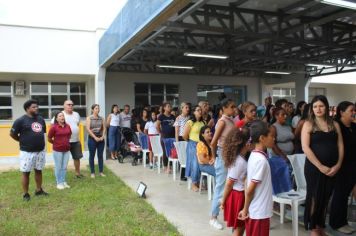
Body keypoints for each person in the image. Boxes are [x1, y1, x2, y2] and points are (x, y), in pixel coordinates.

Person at [301, 95, 344, 236]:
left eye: (321, 106)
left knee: (326, 197)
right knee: (314, 196)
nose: (318, 109)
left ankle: (320, 226)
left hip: (332, 169)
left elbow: (340, 146)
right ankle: (314, 228)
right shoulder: (308, 124)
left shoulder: (334, 124)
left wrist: (337, 165)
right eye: (315, 106)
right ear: (311, 109)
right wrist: (320, 166)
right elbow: (305, 148)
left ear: (326, 107)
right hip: (314, 168)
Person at [238, 120, 275, 236]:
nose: (274, 139)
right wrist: (245, 209)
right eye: (272, 136)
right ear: (262, 138)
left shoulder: (254, 155)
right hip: (259, 212)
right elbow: (250, 189)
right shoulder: (261, 161)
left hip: (257, 210)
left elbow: (246, 182)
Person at [10, 99, 48, 201]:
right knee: (26, 172)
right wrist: (21, 140)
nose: (37, 108)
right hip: (27, 152)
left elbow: (42, 132)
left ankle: (39, 190)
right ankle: (25, 194)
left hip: (40, 150)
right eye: (34, 107)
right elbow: (12, 134)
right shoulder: (20, 120)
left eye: (37, 106)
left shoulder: (40, 119)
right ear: (27, 108)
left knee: (39, 170)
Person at [329, 101, 356, 234]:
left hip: (352, 165)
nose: (353, 113)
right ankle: (337, 222)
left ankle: (343, 221)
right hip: (341, 165)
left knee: (345, 194)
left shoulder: (353, 126)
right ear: (342, 112)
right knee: (340, 194)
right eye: (351, 110)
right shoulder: (336, 126)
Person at [210, 98, 236, 230]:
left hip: (231, 157)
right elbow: (213, 142)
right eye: (231, 107)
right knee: (220, 188)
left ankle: (229, 215)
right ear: (224, 108)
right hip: (223, 157)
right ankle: (213, 217)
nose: (234, 109)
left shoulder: (231, 120)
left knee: (230, 187)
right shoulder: (222, 122)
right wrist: (214, 158)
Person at [220, 127, 250, 236]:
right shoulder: (240, 162)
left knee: (240, 228)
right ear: (246, 143)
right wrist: (223, 201)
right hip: (239, 196)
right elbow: (229, 183)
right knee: (239, 229)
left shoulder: (239, 158)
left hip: (238, 195)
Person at [183, 105, 206, 191]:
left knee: (202, 162)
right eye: (198, 110)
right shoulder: (190, 122)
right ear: (194, 112)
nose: (200, 111)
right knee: (195, 163)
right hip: (192, 144)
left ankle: (199, 182)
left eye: (200, 110)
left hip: (202, 144)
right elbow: (185, 135)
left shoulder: (203, 122)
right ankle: (194, 183)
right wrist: (190, 142)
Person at [48, 112, 72, 190]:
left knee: (64, 167)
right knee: (58, 166)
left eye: (63, 116)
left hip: (66, 149)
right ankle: (59, 183)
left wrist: (66, 143)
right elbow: (49, 138)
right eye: (60, 116)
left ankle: (63, 181)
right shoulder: (54, 127)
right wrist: (55, 143)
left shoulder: (67, 126)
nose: (62, 117)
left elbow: (69, 135)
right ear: (57, 118)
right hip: (57, 150)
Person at [62, 100, 83, 178]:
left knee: (77, 158)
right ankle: (62, 175)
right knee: (64, 159)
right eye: (68, 104)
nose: (70, 106)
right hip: (65, 141)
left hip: (76, 140)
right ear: (64, 106)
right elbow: (54, 126)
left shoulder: (76, 114)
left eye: (72, 104)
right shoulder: (61, 114)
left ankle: (77, 173)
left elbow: (76, 125)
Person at [86, 104, 106, 178]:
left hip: (101, 139)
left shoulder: (102, 118)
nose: (98, 110)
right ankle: (92, 172)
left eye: (98, 108)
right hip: (92, 139)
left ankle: (101, 172)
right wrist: (94, 137)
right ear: (92, 110)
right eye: (96, 108)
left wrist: (102, 136)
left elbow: (104, 128)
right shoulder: (89, 118)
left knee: (100, 156)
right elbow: (88, 129)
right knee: (92, 156)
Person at [156, 102, 176, 172]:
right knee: (165, 152)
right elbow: (157, 125)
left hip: (172, 137)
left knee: (172, 152)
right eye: (168, 106)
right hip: (164, 137)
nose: (170, 107)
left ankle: (170, 166)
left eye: (170, 106)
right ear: (164, 108)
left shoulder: (173, 116)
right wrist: (160, 132)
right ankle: (165, 166)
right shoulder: (161, 116)